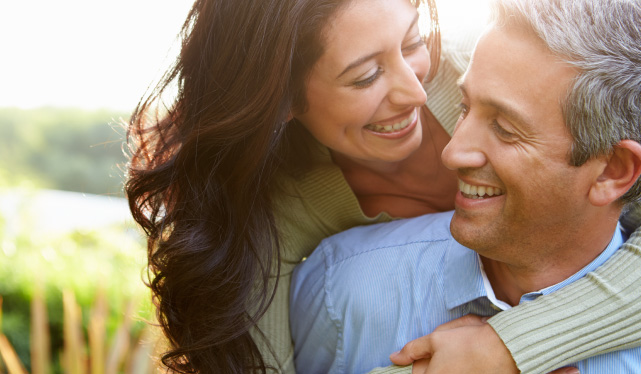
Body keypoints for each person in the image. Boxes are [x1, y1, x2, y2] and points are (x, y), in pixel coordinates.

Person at [124, 0, 641, 372]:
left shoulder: (492, 64)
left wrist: (511, 346)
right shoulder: (280, 217)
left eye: (412, 41)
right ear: (280, 101)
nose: (415, 90)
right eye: (366, 75)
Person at [289, 0, 641, 373]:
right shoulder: (339, 288)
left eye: (505, 129)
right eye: (462, 106)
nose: (451, 152)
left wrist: (514, 345)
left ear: (612, 172)